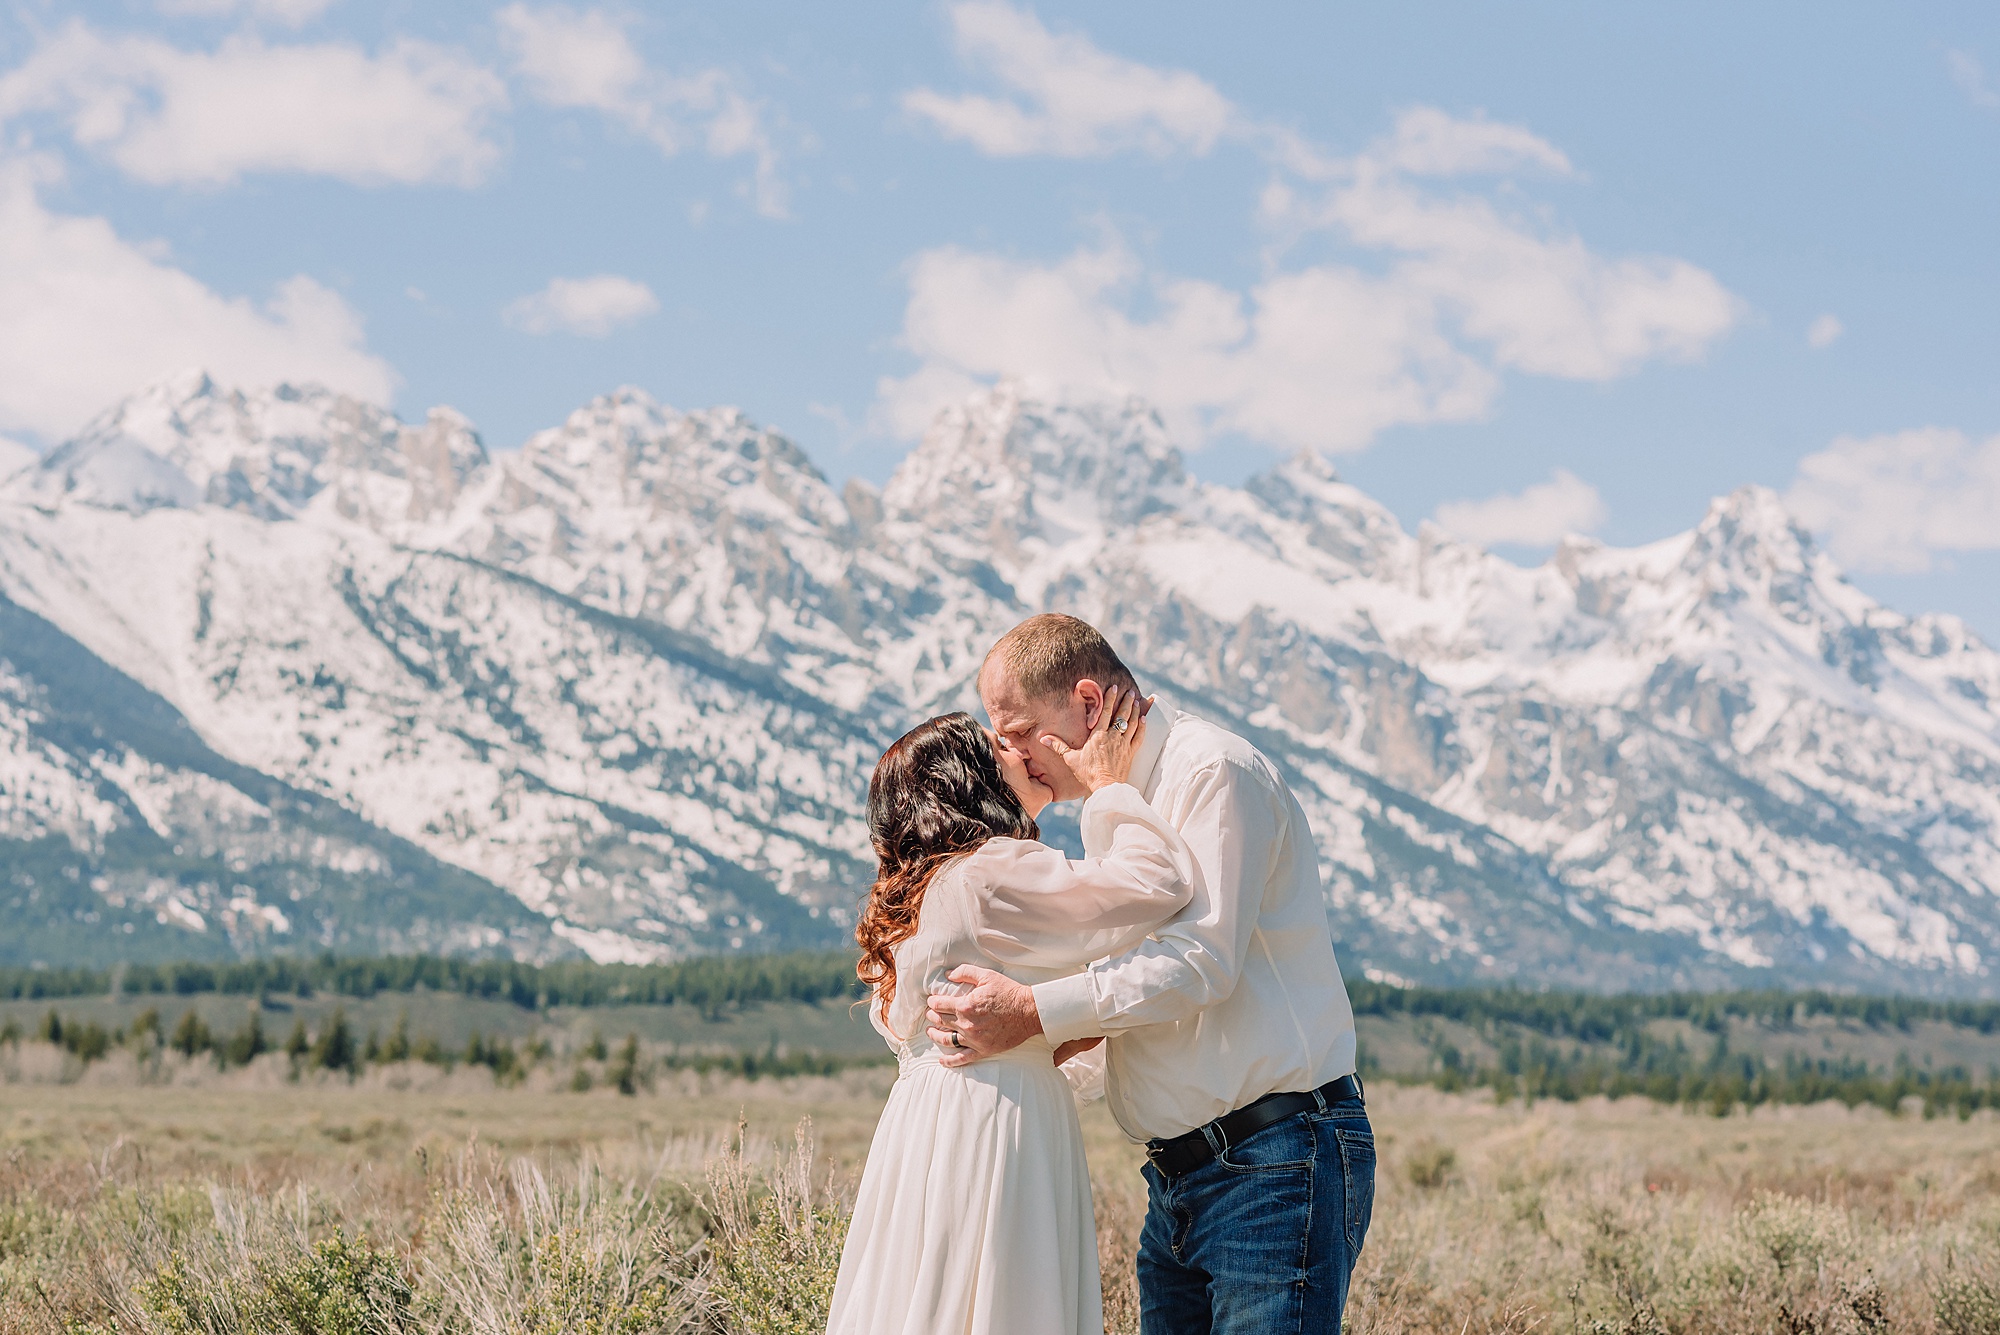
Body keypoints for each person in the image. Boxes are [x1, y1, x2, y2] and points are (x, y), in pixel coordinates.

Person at [926, 613, 1374, 1334]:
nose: (1008, 754)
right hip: (1179, 1180)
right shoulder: (1117, 806)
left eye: (1017, 731)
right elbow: (1130, 985)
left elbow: (1200, 961)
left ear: (1087, 703)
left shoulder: (1211, 772)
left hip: (1276, 1160)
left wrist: (1035, 1011)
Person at [826, 687, 1200, 1335]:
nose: (1020, 750)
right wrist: (1109, 785)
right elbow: (1156, 882)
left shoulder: (935, 889)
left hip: (931, 1124)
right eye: (997, 745)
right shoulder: (988, 873)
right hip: (994, 1118)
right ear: (967, 779)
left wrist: (1061, 1024)